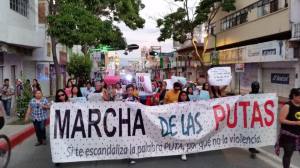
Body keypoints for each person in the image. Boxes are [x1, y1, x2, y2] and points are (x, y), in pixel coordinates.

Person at [275, 88, 300, 168]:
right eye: (299, 97)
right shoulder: (287, 106)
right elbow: (281, 120)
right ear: (294, 96)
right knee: (288, 153)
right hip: (289, 135)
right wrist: (295, 122)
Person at [177, 90, 190, 161]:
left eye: (185, 95)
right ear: (180, 96)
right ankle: (182, 151)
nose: (183, 96)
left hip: (188, 122)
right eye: (182, 95)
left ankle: (184, 152)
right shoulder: (176, 104)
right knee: (181, 137)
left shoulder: (190, 104)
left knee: (185, 137)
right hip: (179, 123)